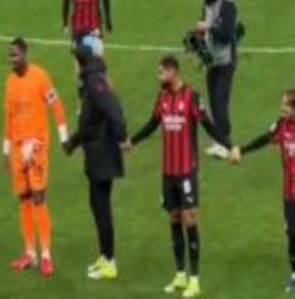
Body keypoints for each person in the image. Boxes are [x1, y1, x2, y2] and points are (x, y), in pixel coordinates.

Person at [130, 55, 231, 298]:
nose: (159, 76)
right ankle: (180, 274)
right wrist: (131, 141)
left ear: (173, 72)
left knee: (190, 218)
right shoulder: (162, 97)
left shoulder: (192, 97)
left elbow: (208, 125)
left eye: (161, 72)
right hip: (168, 172)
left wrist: (229, 146)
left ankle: (194, 279)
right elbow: (152, 123)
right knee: (174, 218)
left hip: (186, 170)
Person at [2, 37, 68, 277]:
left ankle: (46, 254)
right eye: (10, 55)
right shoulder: (10, 82)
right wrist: (6, 150)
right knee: (23, 198)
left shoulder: (40, 76)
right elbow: (8, 117)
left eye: (16, 55)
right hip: (17, 147)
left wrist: (63, 137)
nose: (12, 59)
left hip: (37, 145)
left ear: (25, 54)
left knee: (38, 197)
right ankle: (30, 253)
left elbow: (56, 105)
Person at [64, 43, 129, 280]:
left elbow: (114, 109)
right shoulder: (92, 80)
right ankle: (105, 255)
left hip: (103, 154)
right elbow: (89, 122)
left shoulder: (94, 81)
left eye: (74, 61)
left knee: (101, 207)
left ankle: (110, 262)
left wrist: (122, 137)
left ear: (80, 61)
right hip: (96, 153)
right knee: (96, 204)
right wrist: (73, 142)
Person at [230, 89, 295, 293]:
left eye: (285, 105)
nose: (281, 107)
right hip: (290, 192)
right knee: (292, 233)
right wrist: (241, 150)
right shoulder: (282, 125)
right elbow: (265, 139)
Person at [194, 0, 237, 159]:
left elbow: (226, 34)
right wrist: (198, 35)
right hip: (212, 60)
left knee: (221, 101)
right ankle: (219, 140)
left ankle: (225, 142)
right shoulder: (206, 3)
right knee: (213, 101)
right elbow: (203, 24)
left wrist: (208, 27)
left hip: (226, 60)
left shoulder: (228, 4)